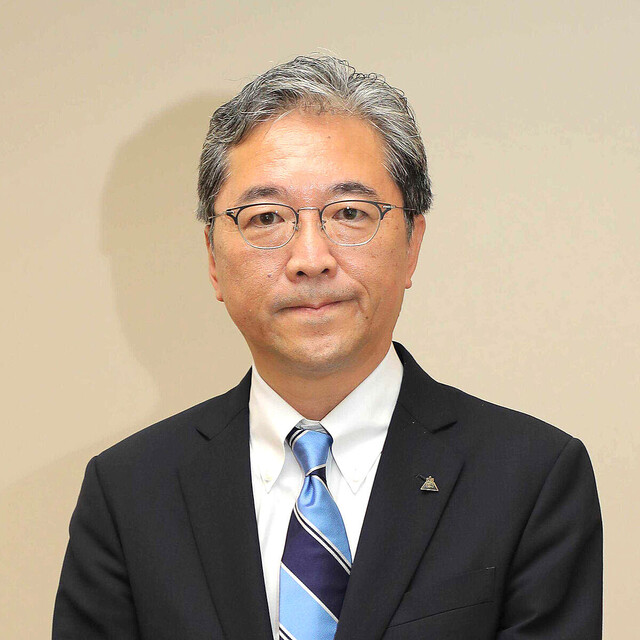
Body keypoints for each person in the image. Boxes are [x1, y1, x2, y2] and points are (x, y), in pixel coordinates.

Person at [53, 56, 602, 640]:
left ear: (412, 244)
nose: (310, 258)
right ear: (213, 258)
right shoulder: (129, 493)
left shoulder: (531, 479)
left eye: (349, 213)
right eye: (266, 217)